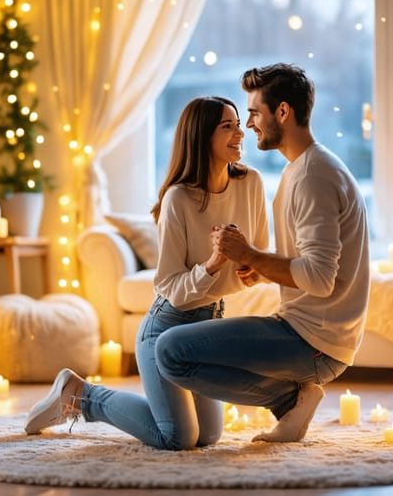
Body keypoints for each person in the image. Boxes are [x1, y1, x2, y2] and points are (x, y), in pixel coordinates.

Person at [24, 96, 269, 450]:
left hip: (207, 328)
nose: (239, 133)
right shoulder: (179, 199)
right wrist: (215, 263)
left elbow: (258, 255)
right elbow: (169, 286)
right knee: (177, 437)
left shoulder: (252, 183)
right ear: (201, 136)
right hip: (166, 328)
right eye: (227, 126)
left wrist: (250, 267)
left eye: (237, 124)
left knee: (210, 436)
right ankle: (80, 395)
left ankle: (90, 396)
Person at [154, 63, 370, 443]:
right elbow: (307, 266)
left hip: (314, 342)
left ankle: (290, 400)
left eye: (253, 113)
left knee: (171, 350)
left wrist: (251, 255)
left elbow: (320, 279)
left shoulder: (312, 178)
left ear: (282, 112)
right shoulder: (300, 171)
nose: (248, 125)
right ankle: (291, 400)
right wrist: (262, 269)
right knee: (173, 351)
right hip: (314, 334)